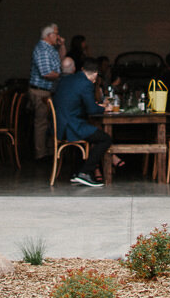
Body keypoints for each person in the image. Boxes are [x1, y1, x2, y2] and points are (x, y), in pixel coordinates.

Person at [53, 58, 114, 187]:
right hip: (72, 126)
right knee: (105, 139)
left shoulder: (66, 79)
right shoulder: (86, 83)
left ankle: (80, 172)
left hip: (60, 125)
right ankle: (84, 173)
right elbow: (92, 110)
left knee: (94, 133)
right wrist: (104, 108)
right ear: (95, 74)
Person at [27, 22, 64, 161]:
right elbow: (46, 73)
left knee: (49, 122)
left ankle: (49, 151)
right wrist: (62, 76)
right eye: (56, 33)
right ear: (49, 35)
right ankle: (40, 154)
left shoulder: (51, 48)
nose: (58, 36)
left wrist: (62, 45)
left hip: (49, 91)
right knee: (41, 122)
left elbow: (61, 60)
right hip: (40, 91)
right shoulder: (42, 49)